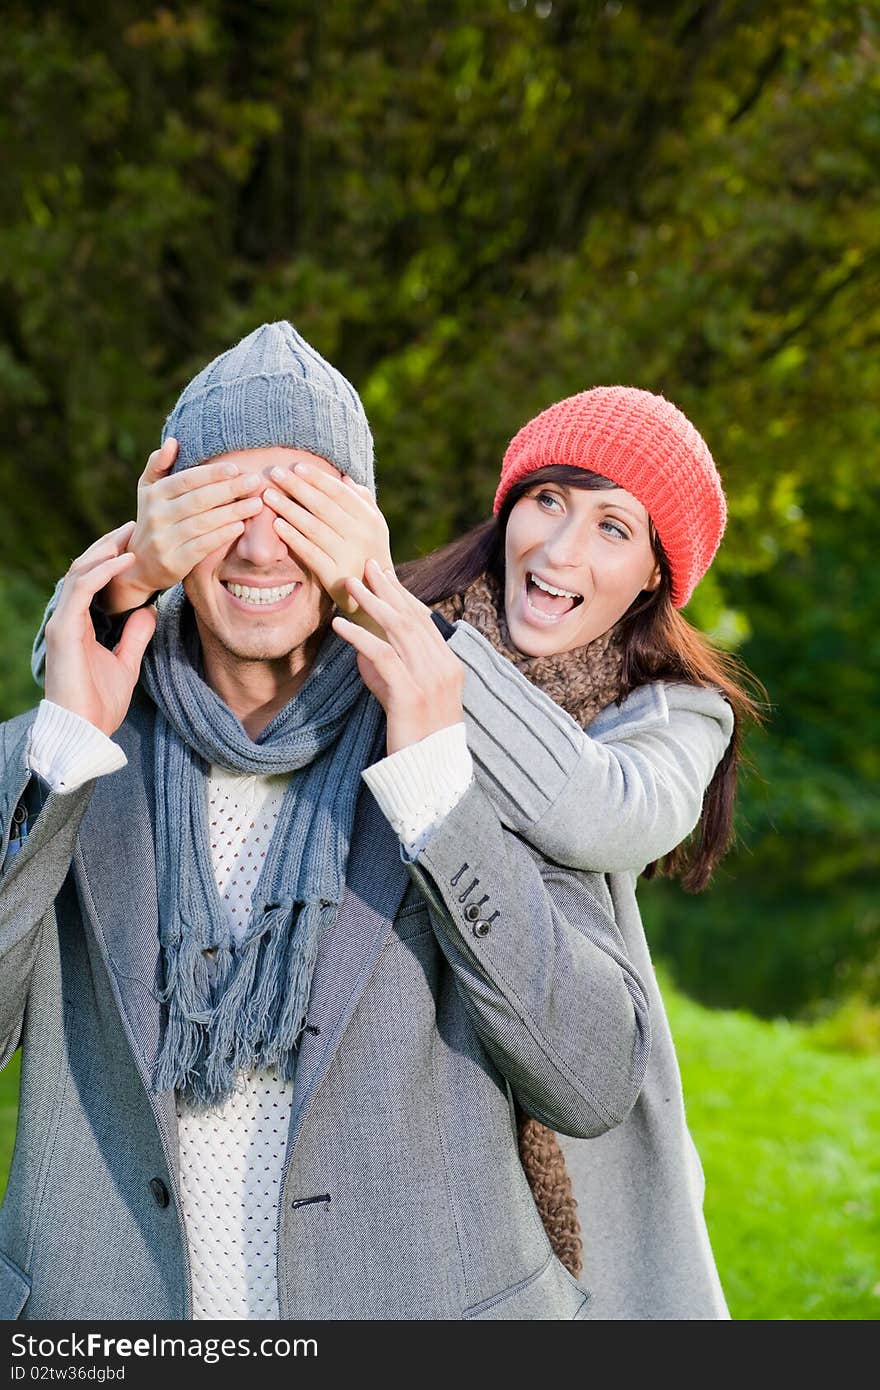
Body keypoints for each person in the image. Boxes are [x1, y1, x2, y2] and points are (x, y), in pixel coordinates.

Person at [0, 322, 650, 1321]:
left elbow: (590, 1076)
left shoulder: (462, 728)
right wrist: (62, 747)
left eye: (300, 504)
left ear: (362, 531)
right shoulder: (70, 744)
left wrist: (436, 782)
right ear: (161, 516)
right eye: (223, 502)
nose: (262, 544)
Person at [232, 384, 762, 1319]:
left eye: (612, 527)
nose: (560, 551)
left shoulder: (680, 713)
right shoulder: (389, 625)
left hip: (576, 1123)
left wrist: (422, 647)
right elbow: (224, 644)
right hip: (382, 1104)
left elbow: (599, 808)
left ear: (652, 574)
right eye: (548, 501)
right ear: (509, 508)